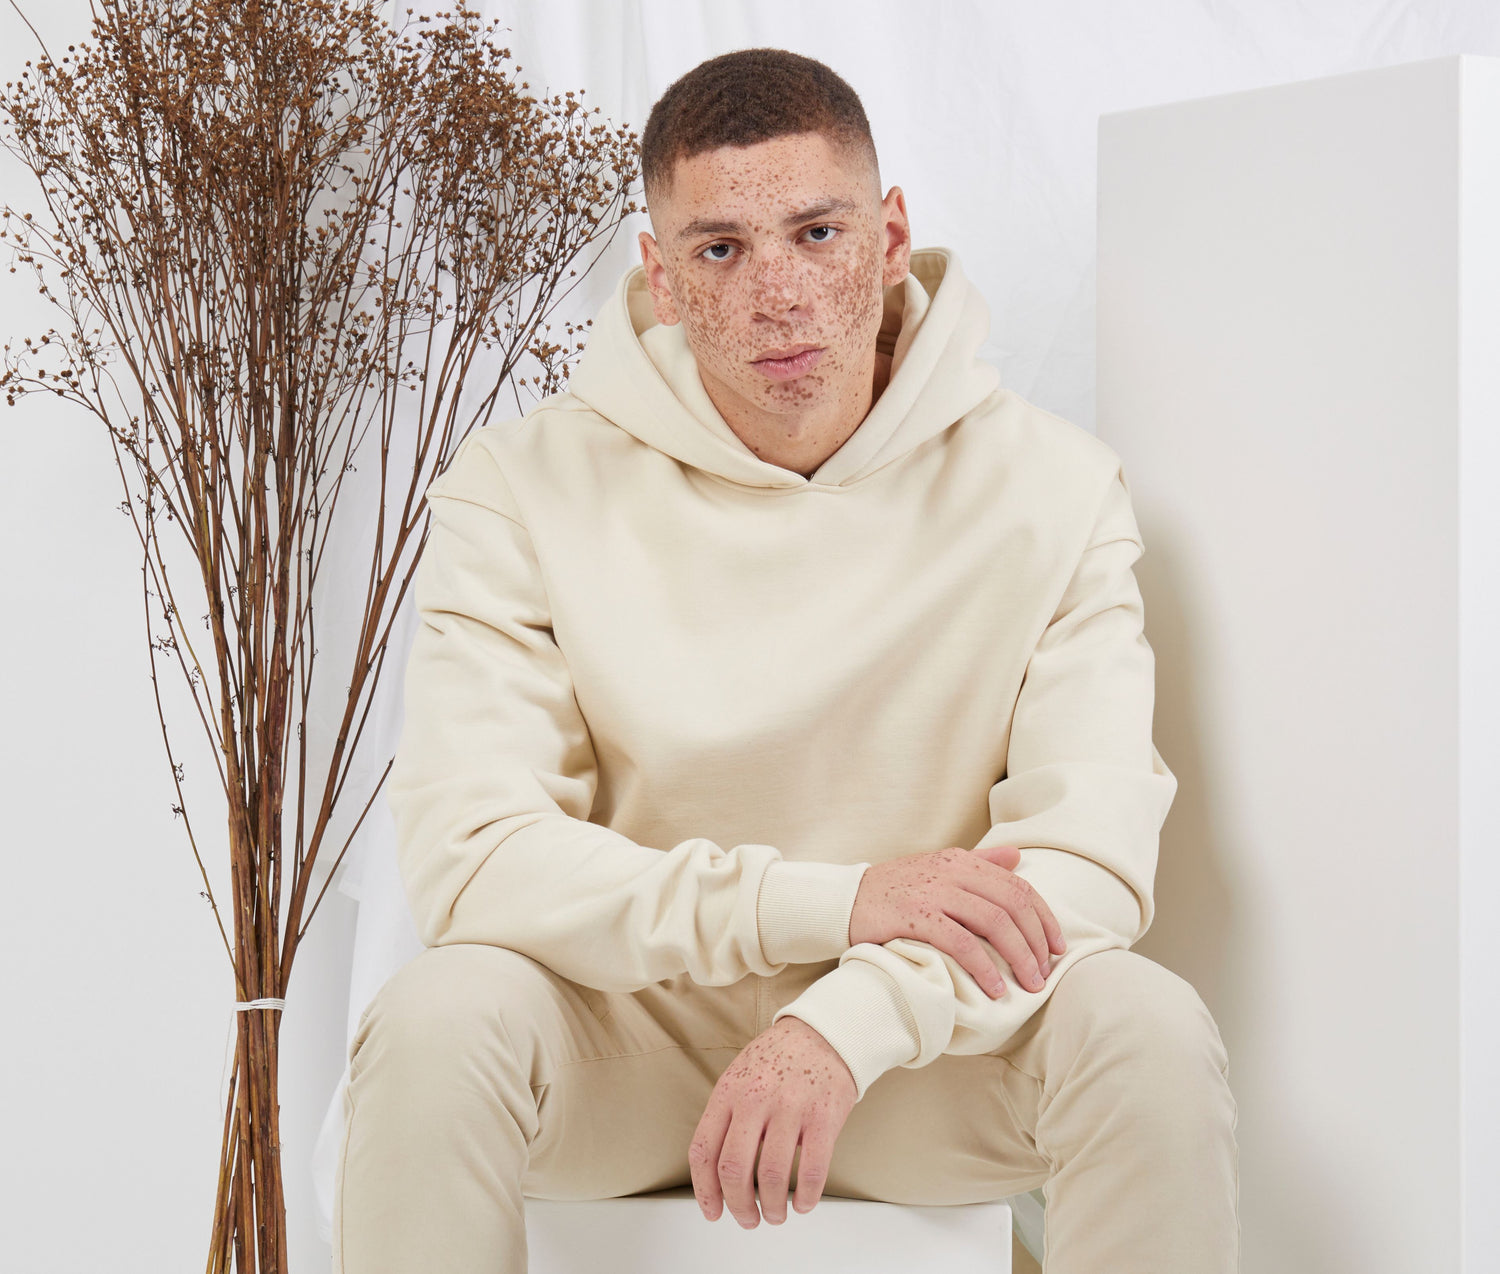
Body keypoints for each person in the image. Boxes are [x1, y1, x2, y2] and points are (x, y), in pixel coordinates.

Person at [333, 46, 1239, 1274]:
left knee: (1145, 1025)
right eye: (720, 250)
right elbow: (475, 855)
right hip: (629, 1058)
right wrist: (837, 899)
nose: (780, 296)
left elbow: (1087, 861)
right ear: (659, 279)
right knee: (434, 1022)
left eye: (818, 233)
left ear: (890, 235)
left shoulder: (1054, 490)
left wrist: (848, 1018)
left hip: (915, 1060)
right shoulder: (521, 487)